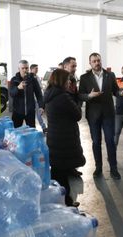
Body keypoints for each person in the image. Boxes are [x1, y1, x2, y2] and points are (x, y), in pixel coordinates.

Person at [44, 69, 85, 207]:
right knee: (61, 175)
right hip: (64, 140)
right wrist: (76, 98)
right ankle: (64, 203)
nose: (69, 82)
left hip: (54, 138)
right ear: (61, 81)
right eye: (67, 80)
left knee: (57, 172)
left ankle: (62, 200)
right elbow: (78, 115)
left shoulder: (49, 94)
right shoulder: (63, 97)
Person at [79, 52, 121, 180]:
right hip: (93, 115)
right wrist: (89, 96)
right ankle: (98, 167)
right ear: (90, 63)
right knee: (96, 142)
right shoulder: (84, 77)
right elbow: (80, 95)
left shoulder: (110, 75)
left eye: (98, 60)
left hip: (108, 114)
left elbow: (116, 91)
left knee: (110, 141)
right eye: (94, 61)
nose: (97, 63)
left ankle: (113, 168)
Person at [63, 56, 83, 177]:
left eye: (75, 66)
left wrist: (78, 107)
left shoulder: (73, 78)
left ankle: (72, 168)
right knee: (65, 144)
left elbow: (76, 96)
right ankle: (65, 169)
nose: (75, 68)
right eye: (73, 66)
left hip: (73, 116)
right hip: (64, 118)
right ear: (65, 66)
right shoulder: (61, 80)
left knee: (73, 143)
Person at [9, 60, 44, 128]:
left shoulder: (33, 79)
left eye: (26, 68)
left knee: (32, 132)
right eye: (23, 68)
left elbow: (39, 94)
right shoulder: (14, 80)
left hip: (30, 112)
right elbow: (11, 94)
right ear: (19, 69)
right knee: (16, 132)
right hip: (18, 111)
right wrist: (18, 88)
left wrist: (41, 106)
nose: (25, 70)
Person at [30, 64, 47, 132]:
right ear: (31, 69)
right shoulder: (29, 77)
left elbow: (39, 88)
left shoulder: (37, 77)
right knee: (31, 115)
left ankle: (43, 128)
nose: (37, 70)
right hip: (31, 99)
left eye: (37, 68)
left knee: (39, 114)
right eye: (36, 68)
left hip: (38, 99)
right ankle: (31, 129)